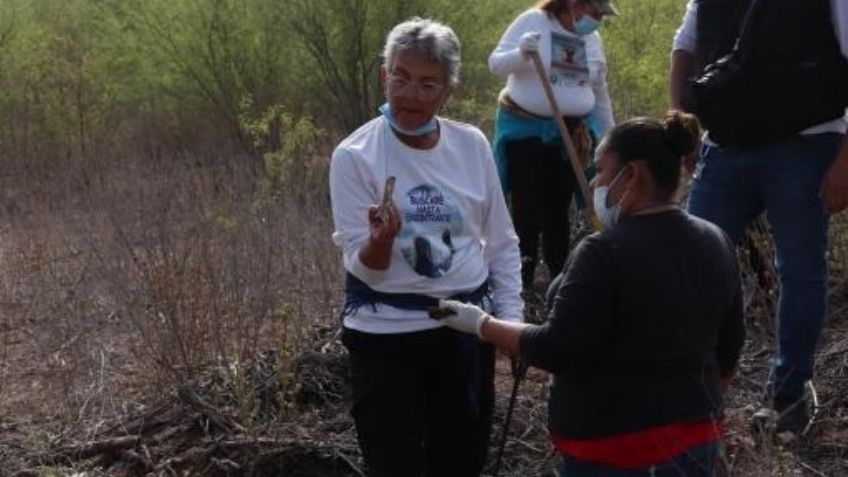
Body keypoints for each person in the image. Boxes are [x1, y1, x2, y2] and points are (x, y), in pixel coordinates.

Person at [433, 111, 746, 477]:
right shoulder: (715, 240)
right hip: (696, 444)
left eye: (601, 170)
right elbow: (730, 343)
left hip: (613, 453)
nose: (595, 181)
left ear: (632, 175)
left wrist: (483, 325)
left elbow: (558, 348)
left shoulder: (603, 252)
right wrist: (697, 411)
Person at [328, 18, 524, 477]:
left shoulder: (471, 145)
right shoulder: (354, 156)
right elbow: (367, 269)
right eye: (400, 78)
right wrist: (381, 241)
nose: (410, 95)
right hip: (385, 338)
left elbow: (501, 240)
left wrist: (509, 326)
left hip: (465, 330)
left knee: (461, 460)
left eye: (427, 84)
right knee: (394, 463)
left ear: (447, 91)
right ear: (384, 75)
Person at [669, 0, 848, 440]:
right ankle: (690, 390)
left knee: (801, 269)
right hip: (723, 147)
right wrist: (682, 121)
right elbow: (685, 47)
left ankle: (786, 397)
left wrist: (846, 162)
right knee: (692, 263)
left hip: (806, 145)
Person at [489, 0, 617, 288]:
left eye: (601, 15)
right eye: (595, 12)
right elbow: (496, 64)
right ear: (575, 4)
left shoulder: (592, 40)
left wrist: (611, 138)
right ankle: (520, 279)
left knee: (558, 209)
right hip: (526, 131)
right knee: (527, 208)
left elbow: (599, 91)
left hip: (570, 134)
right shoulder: (533, 22)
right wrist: (521, 53)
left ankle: (559, 281)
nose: (598, 20)